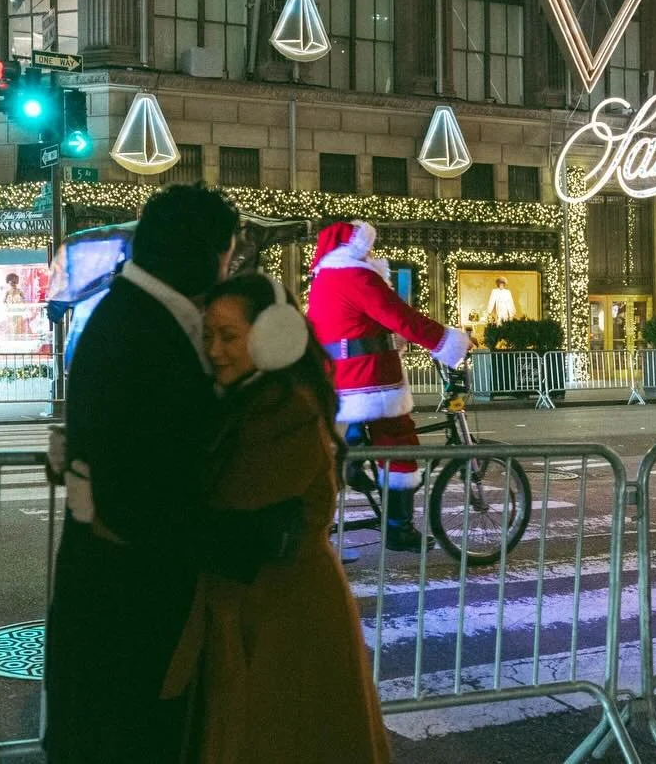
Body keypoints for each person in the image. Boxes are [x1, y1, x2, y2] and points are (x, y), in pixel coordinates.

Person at [43, 184, 301, 763]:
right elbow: (140, 503)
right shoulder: (142, 330)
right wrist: (255, 541)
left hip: (120, 603)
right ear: (208, 253)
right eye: (229, 253)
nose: (229, 267)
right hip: (130, 610)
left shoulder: (137, 314)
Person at [159, 273, 392, 764]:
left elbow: (229, 507)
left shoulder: (285, 408)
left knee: (286, 740)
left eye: (229, 336)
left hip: (285, 616)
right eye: (208, 335)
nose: (215, 350)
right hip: (258, 609)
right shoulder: (246, 398)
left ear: (275, 337)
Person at [306, 220, 472, 551]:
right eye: (367, 247)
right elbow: (402, 317)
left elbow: (354, 325)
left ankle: (354, 451)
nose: (371, 254)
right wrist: (449, 342)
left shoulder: (325, 278)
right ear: (355, 246)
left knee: (374, 436)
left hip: (339, 378)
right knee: (399, 441)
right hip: (369, 379)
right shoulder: (357, 275)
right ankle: (399, 528)